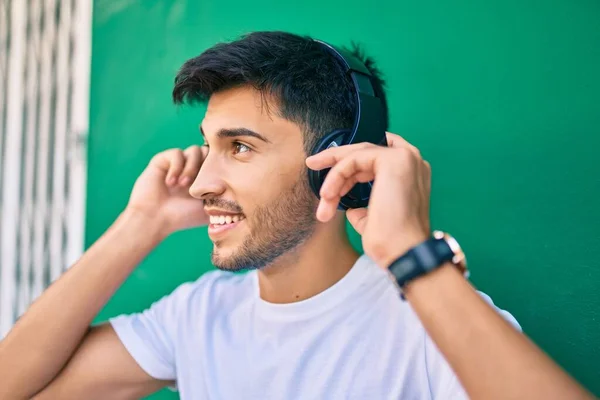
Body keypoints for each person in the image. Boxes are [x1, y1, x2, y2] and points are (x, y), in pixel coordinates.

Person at [0, 31, 594, 400]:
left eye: (240, 147)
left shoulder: (438, 325)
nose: (204, 181)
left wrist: (411, 255)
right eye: (207, 146)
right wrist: (141, 224)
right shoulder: (196, 314)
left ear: (332, 160)